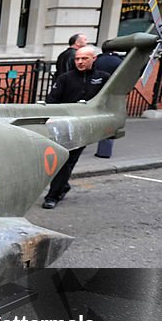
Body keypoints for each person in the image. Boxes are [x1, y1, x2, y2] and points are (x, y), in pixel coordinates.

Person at [42, 47, 111, 208]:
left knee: (68, 160)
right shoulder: (65, 78)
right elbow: (51, 101)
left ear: (94, 58)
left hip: (86, 126)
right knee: (63, 161)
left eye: (84, 58)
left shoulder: (103, 78)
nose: (80, 62)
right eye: (77, 59)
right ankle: (60, 188)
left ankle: (53, 195)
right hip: (65, 126)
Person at [93, 46, 123, 158]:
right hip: (114, 94)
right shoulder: (119, 61)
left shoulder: (97, 60)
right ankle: (104, 151)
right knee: (109, 121)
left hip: (95, 93)